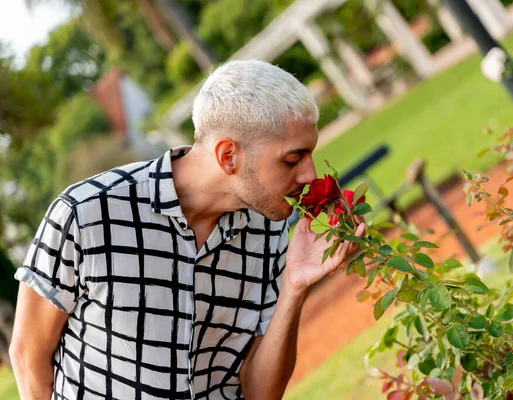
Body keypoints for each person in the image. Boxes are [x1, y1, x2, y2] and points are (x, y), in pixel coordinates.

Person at [9, 60, 365, 400]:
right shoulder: (86, 213)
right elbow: (28, 356)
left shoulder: (267, 230)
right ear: (228, 155)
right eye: (293, 158)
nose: (309, 175)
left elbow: (259, 391)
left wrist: (294, 285)